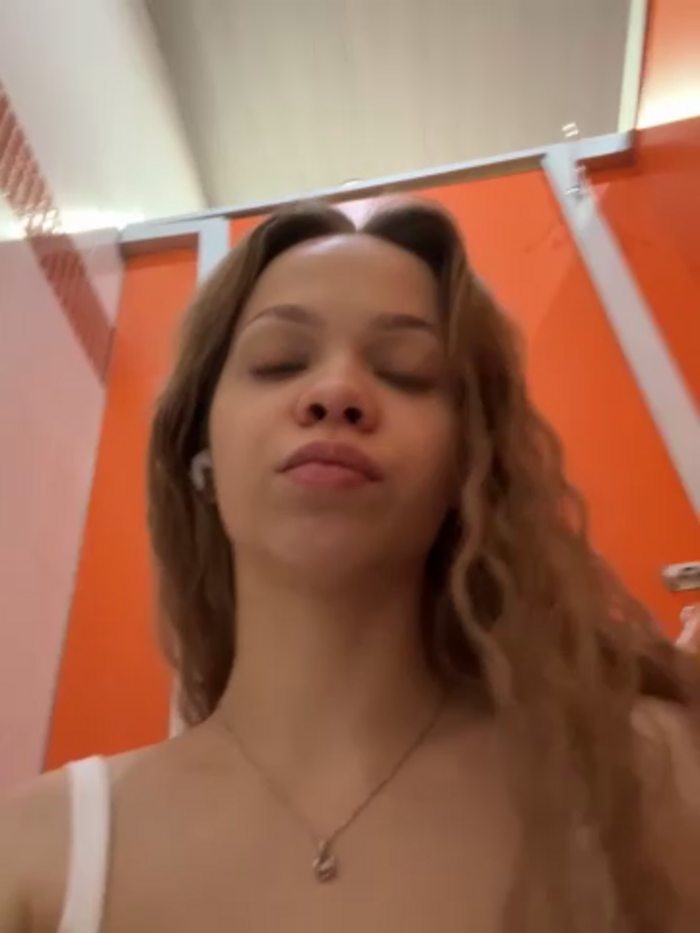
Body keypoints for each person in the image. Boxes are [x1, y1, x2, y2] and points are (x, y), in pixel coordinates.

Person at [1, 201, 699, 933]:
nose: (337, 392)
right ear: (200, 453)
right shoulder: (35, 860)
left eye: (407, 372)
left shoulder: (641, 780)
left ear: (467, 466)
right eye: (279, 362)